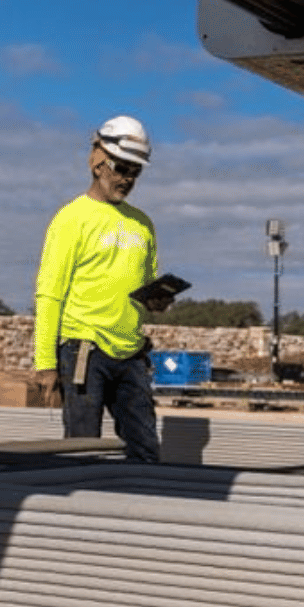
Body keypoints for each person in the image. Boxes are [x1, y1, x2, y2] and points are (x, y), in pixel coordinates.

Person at [33, 115, 174, 462]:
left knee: (144, 449)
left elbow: (146, 284)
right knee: (81, 449)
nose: (127, 179)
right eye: (121, 168)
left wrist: (158, 300)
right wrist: (45, 363)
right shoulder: (71, 219)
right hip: (84, 350)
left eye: (135, 172)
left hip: (131, 353)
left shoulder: (143, 224)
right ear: (98, 162)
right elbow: (49, 294)